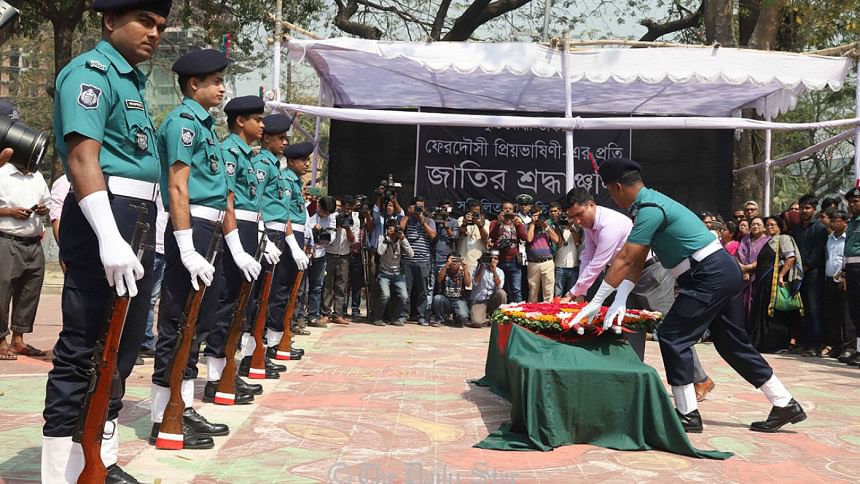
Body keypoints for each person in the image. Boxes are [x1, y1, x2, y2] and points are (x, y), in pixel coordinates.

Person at [571, 157, 805, 434]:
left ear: (618, 187)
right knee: (732, 343)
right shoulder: (651, 205)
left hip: (707, 274)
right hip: (719, 272)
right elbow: (638, 259)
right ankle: (784, 402)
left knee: (672, 335)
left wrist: (597, 301)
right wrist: (620, 297)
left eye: (610, 191)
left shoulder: (649, 209)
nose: (612, 198)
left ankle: (687, 415)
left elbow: (625, 258)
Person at [42, 1, 170, 481]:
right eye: (145, 22)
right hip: (106, 214)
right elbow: (82, 158)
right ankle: (60, 472)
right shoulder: (90, 73)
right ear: (110, 21)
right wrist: (109, 236)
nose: (154, 33)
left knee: (121, 348)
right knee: (84, 347)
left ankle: (99, 460)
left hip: (135, 218)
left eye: (160, 26)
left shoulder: (131, 81)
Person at [150, 48, 238, 451]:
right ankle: (162, 416)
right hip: (193, 227)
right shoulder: (182, 124)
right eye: (216, 81)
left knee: (197, 322)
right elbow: (177, 186)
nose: (222, 88)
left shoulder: (204, 126)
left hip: (209, 228)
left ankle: (181, 406)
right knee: (178, 320)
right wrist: (185, 246)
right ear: (193, 84)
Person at [563, 188, 714, 400]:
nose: (578, 221)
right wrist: (580, 291)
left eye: (580, 215)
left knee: (670, 328)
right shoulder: (590, 225)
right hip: (625, 276)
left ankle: (700, 379)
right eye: (573, 218)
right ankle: (634, 377)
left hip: (650, 274)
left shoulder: (611, 223)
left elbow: (598, 263)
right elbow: (587, 255)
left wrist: (573, 292)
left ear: (591, 204)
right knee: (630, 325)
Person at [203, 95, 278, 405]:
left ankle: (228, 371)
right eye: (257, 120)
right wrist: (235, 247)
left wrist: (260, 239)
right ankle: (214, 378)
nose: (262, 125)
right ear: (240, 121)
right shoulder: (230, 153)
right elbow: (228, 201)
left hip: (248, 231)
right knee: (225, 305)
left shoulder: (248, 156)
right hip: (232, 231)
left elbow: (254, 208)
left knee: (240, 306)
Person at [0, 102, 51, 361]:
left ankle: (19, 340)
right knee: (2, 293)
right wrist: (10, 212)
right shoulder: (2, 171)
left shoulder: (37, 175)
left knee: (30, 292)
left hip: (32, 241)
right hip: (6, 241)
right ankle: (1, 341)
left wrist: (42, 210)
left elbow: (47, 202)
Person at [259, 142, 311, 360]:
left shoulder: (295, 181)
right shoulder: (287, 180)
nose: (307, 164)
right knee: (278, 291)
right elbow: (285, 214)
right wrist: (293, 245)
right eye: (303, 160)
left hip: (295, 236)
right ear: (291, 161)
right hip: (285, 235)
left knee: (288, 291)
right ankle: (272, 342)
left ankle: (279, 339)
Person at [747, 216, 802, 353]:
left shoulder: (784, 238)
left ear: (779, 226)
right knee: (763, 312)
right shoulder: (769, 240)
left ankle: (777, 345)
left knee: (775, 314)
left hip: (775, 282)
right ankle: (761, 343)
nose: (769, 227)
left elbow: (791, 257)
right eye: (767, 225)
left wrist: (781, 275)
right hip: (764, 283)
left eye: (772, 224)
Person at [790, 194, 829, 357]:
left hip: (813, 274)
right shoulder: (797, 228)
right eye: (801, 208)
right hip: (799, 274)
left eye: (807, 208)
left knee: (814, 310)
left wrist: (803, 269)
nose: (804, 211)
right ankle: (804, 343)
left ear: (814, 209)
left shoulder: (819, 228)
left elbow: (816, 254)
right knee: (803, 310)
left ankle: (816, 345)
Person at [399, 196, 436, 325]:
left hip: (424, 260)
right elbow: (400, 230)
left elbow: (433, 235)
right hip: (408, 260)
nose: (419, 209)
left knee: (423, 291)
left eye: (422, 207)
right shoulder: (407, 219)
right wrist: (408, 215)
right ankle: (403, 315)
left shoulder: (429, 220)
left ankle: (422, 316)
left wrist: (422, 221)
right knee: (406, 289)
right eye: (417, 207)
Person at [823, 210, 853, 359]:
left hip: (844, 280)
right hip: (829, 280)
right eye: (832, 220)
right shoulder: (829, 238)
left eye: (837, 221)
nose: (833, 223)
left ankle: (849, 347)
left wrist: (844, 275)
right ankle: (836, 346)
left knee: (846, 315)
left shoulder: (848, 238)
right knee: (832, 315)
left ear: (845, 222)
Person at [322, 195, 354, 326]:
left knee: (341, 286)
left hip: (344, 255)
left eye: (349, 209)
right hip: (329, 254)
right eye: (344, 208)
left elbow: (353, 240)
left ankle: (338, 314)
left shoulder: (354, 220)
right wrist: (337, 226)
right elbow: (327, 235)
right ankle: (325, 313)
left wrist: (347, 228)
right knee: (327, 285)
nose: (346, 211)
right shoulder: (331, 217)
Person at [373, 219, 412, 326]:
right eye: (392, 229)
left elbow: (411, 254)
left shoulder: (401, 240)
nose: (394, 233)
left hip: (397, 274)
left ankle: (395, 318)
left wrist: (403, 239)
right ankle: (377, 318)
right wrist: (387, 238)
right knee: (385, 295)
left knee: (404, 296)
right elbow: (380, 252)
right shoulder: (382, 238)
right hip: (384, 273)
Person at [489, 201, 527, 303]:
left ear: (513, 211)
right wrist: (498, 223)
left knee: (516, 289)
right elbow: (491, 236)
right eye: (505, 208)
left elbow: (525, 237)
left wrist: (519, 225)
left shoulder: (517, 223)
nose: (507, 210)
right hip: (500, 260)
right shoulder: (495, 223)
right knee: (500, 288)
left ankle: (518, 309)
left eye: (510, 209)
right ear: (501, 210)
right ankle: (501, 308)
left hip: (514, 260)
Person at [736, 217, 769, 328]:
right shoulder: (745, 239)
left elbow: (764, 259)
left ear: (764, 227)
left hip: (760, 277)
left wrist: (748, 268)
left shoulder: (768, 241)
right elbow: (739, 255)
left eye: (758, 224)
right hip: (745, 278)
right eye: (753, 224)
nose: (755, 226)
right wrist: (743, 270)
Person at [307, 196, 335, 327]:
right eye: (324, 212)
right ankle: (299, 316)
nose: (325, 215)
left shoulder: (331, 217)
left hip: (321, 253)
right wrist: (313, 229)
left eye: (328, 214)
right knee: (303, 287)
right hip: (307, 253)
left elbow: (332, 236)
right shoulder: (309, 210)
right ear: (319, 206)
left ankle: (313, 315)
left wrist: (324, 235)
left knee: (317, 287)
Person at [841, 187, 860, 366]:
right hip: (851, 268)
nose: (852, 205)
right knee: (855, 310)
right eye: (850, 202)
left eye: (856, 201)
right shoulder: (852, 222)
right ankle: (858, 350)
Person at [525, 206, 558, 302]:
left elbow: (556, 239)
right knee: (533, 291)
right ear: (531, 216)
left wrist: (545, 225)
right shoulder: (527, 226)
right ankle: (532, 310)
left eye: (539, 215)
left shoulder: (547, 225)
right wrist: (532, 223)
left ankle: (548, 310)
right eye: (535, 215)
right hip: (533, 263)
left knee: (548, 291)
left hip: (548, 262)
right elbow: (529, 239)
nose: (538, 218)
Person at [549, 201, 581, 297]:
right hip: (560, 265)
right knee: (558, 293)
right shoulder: (553, 226)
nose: (564, 220)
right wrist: (558, 226)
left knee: (570, 295)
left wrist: (570, 227)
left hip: (573, 266)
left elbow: (578, 242)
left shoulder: (575, 226)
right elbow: (558, 242)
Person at [468, 249, 506, 328]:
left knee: (502, 293)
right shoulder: (478, 268)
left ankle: (495, 317)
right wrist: (481, 265)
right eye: (491, 258)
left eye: (496, 259)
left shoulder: (500, 271)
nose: (493, 260)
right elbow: (475, 282)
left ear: (498, 261)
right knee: (477, 323)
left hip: (492, 301)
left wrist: (494, 271)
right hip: (479, 301)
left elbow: (499, 286)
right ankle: (487, 319)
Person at [456, 199, 490, 287]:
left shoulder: (485, 222)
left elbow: (485, 238)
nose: (474, 214)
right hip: (463, 259)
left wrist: (479, 225)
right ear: (468, 211)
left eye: (477, 212)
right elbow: (460, 234)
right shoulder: (461, 220)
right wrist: (465, 223)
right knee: (463, 286)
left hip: (479, 261)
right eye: (472, 212)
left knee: (477, 287)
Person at [432, 254, 471, 326]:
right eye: (453, 260)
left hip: (458, 300)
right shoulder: (444, 270)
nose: (454, 263)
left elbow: (468, 284)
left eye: (457, 261)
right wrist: (446, 265)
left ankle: (457, 318)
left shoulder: (463, 272)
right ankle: (439, 320)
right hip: (446, 299)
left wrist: (465, 269)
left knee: (463, 316)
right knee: (437, 298)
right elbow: (439, 279)